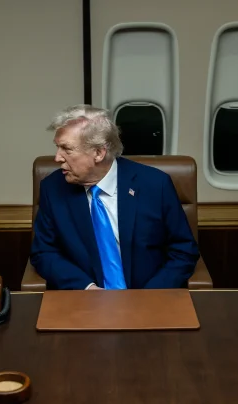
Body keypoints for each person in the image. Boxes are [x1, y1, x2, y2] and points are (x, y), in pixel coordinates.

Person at [30, 105, 199, 290]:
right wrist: (86, 288)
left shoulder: (155, 185)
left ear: (98, 153)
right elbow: (44, 252)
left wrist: (150, 296)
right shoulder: (53, 188)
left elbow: (184, 251)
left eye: (66, 149)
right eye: (57, 147)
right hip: (83, 298)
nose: (57, 158)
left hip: (149, 295)